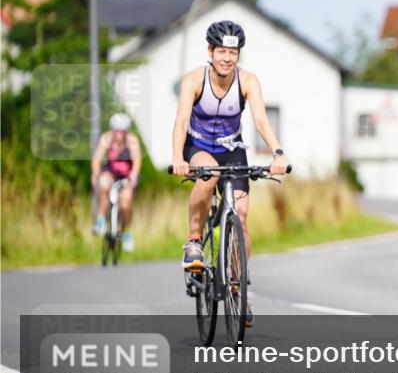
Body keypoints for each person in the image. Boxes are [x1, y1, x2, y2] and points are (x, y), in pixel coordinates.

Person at [170, 20, 289, 327]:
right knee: (207, 176)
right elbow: (182, 121)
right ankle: (194, 239)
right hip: (197, 147)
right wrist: (177, 158)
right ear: (210, 51)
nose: (227, 58)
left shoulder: (248, 81)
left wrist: (277, 152)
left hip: (233, 149)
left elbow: (261, 120)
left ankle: (238, 285)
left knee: (243, 215)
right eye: (221, 51)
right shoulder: (194, 80)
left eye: (233, 52)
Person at [90, 112, 142, 252]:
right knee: (103, 184)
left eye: (122, 131)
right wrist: (96, 172)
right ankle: (100, 220)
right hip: (111, 171)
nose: (119, 134)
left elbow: (137, 162)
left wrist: (134, 177)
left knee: (126, 201)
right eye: (116, 130)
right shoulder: (106, 139)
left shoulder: (132, 141)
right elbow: (97, 159)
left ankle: (126, 232)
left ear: (127, 131)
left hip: (126, 175)